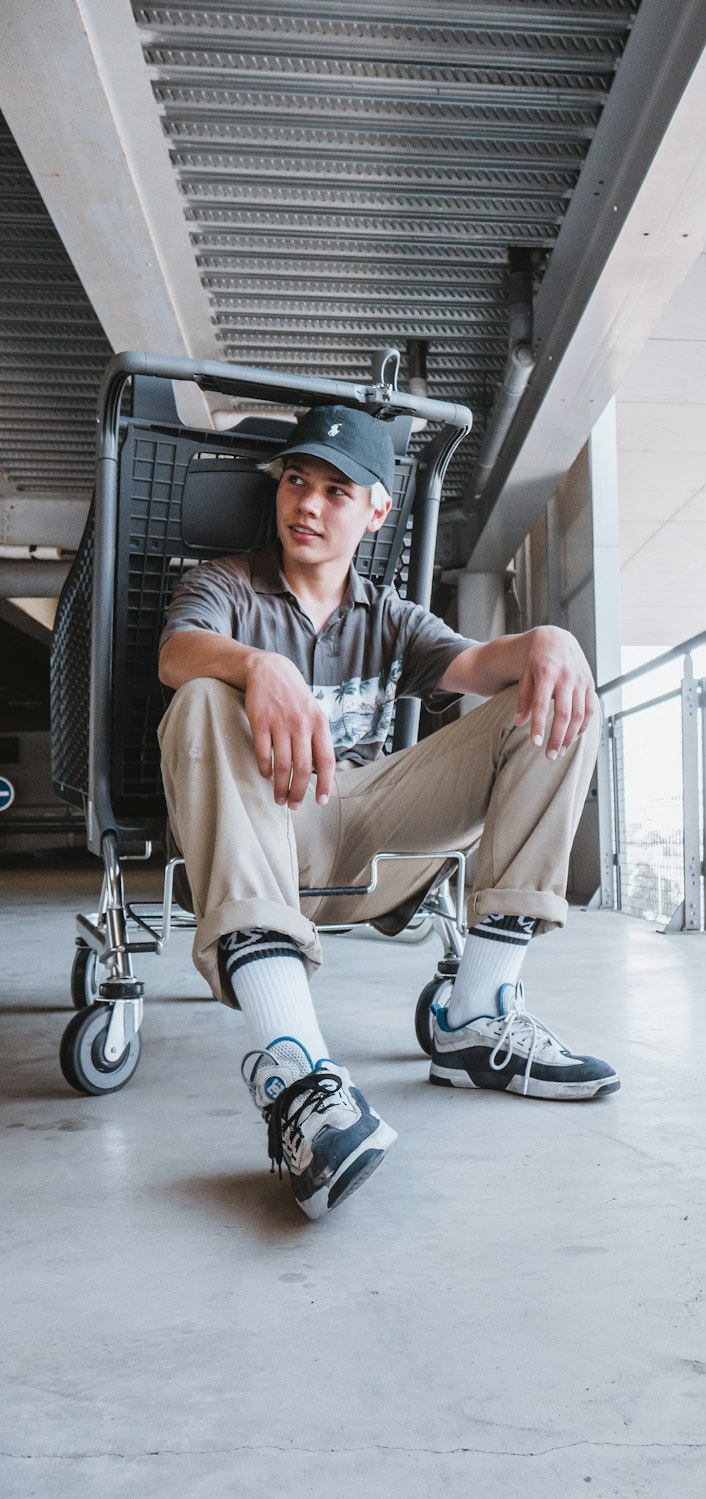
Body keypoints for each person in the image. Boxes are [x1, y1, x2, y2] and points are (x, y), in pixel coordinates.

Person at [157, 403, 619, 1221]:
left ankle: (474, 1015)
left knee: (552, 699)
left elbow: (477, 664)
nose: (307, 503)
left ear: (375, 512)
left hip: (370, 831)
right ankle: (301, 1079)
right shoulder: (226, 584)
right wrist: (258, 665)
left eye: (337, 490)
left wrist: (553, 640)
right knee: (200, 698)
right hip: (267, 836)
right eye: (296, 481)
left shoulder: (390, 615)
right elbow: (176, 654)